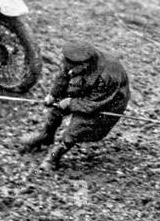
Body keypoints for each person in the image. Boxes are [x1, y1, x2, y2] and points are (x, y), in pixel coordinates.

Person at [19, 42, 130, 170]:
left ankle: (54, 157)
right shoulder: (74, 61)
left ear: (85, 65)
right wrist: (53, 95)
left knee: (77, 127)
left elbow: (92, 104)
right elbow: (63, 75)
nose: (69, 70)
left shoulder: (109, 75)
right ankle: (46, 136)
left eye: (73, 69)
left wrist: (70, 103)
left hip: (107, 102)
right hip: (87, 87)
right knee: (56, 109)